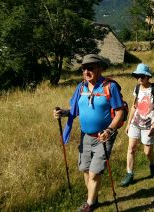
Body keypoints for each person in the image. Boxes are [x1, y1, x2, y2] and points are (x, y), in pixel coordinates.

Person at [53, 54, 124, 212]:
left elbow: (119, 112)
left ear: (99, 68)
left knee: (94, 173)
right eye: (84, 68)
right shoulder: (81, 87)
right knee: (85, 169)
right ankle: (93, 199)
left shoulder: (109, 86)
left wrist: (109, 130)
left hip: (103, 137)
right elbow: (75, 110)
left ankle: (89, 205)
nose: (86, 71)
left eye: (90, 68)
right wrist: (63, 113)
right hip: (85, 137)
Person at [120, 63, 154, 187]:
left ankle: (152, 164)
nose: (139, 79)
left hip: (149, 124)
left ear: (147, 77)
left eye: (142, 76)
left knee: (147, 151)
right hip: (135, 123)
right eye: (137, 76)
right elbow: (134, 107)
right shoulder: (137, 88)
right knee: (131, 148)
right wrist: (128, 123)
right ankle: (129, 174)